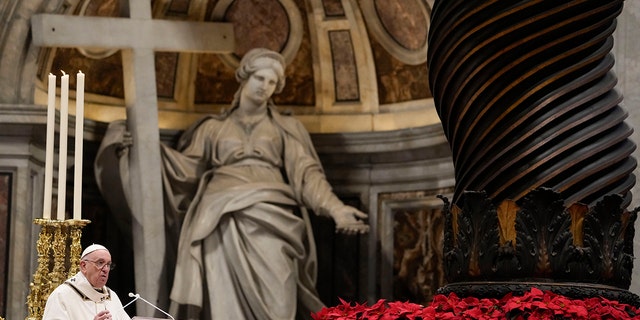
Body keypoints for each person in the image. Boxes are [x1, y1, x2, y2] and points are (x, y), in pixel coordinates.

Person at [95, 47, 369, 320]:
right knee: (223, 302)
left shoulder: (285, 127)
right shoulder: (212, 128)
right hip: (219, 217)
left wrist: (336, 210)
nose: (266, 86)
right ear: (244, 78)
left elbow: (308, 175)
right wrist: (145, 148)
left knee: (279, 299)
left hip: (272, 216)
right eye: (260, 78)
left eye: (272, 82)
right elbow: (185, 170)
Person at [42, 244, 131, 320]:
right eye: (100, 263)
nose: (106, 269)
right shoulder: (62, 295)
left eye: (108, 264)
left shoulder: (112, 296)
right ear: (84, 266)